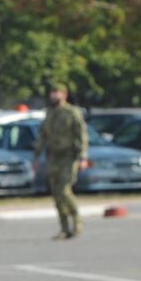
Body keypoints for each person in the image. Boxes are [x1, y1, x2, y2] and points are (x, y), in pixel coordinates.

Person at [35, 81, 88, 239]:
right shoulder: (49, 114)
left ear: (64, 95)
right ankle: (64, 228)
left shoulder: (72, 112)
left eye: (57, 92)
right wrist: (36, 156)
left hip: (68, 157)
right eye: (52, 92)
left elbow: (81, 135)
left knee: (65, 190)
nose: (54, 95)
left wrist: (83, 157)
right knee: (56, 194)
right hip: (53, 157)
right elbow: (43, 137)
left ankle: (77, 222)